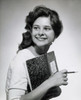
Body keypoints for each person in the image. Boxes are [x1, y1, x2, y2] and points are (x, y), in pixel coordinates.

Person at [6, 5, 68, 100]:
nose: (40, 33)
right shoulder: (21, 58)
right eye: (36, 28)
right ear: (31, 31)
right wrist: (50, 82)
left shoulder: (43, 55)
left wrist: (55, 87)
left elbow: (39, 93)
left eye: (46, 28)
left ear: (55, 35)